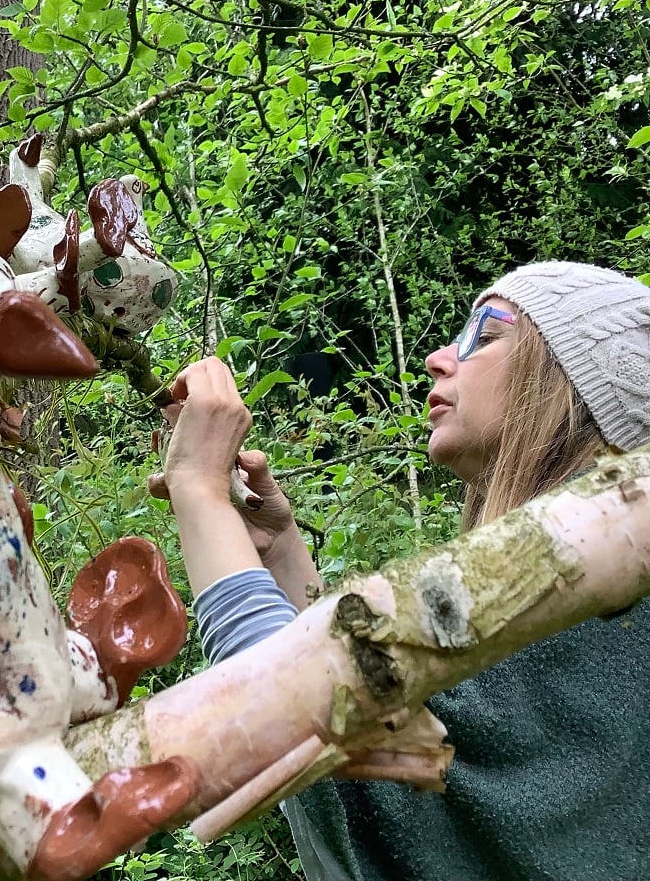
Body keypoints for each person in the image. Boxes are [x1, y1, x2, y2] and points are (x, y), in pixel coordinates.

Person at [151, 262, 650, 881]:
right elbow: (370, 700)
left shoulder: (601, 594)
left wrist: (199, 487)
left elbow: (289, 730)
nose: (441, 359)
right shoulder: (593, 584)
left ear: (573, 383)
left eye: (486, 335)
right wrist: (275, 553)